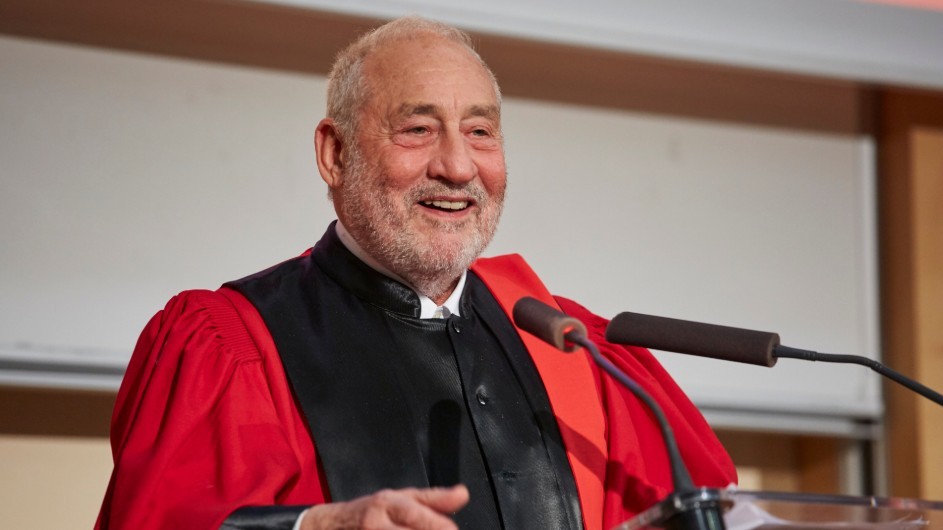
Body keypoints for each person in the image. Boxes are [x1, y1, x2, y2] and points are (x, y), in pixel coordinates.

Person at [96, 16, 736, 530]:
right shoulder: (234, 342)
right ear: (335, 152)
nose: (458, 167)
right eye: (418, 129)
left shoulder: (569, 347)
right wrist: (320, 527)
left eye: (480, 131)